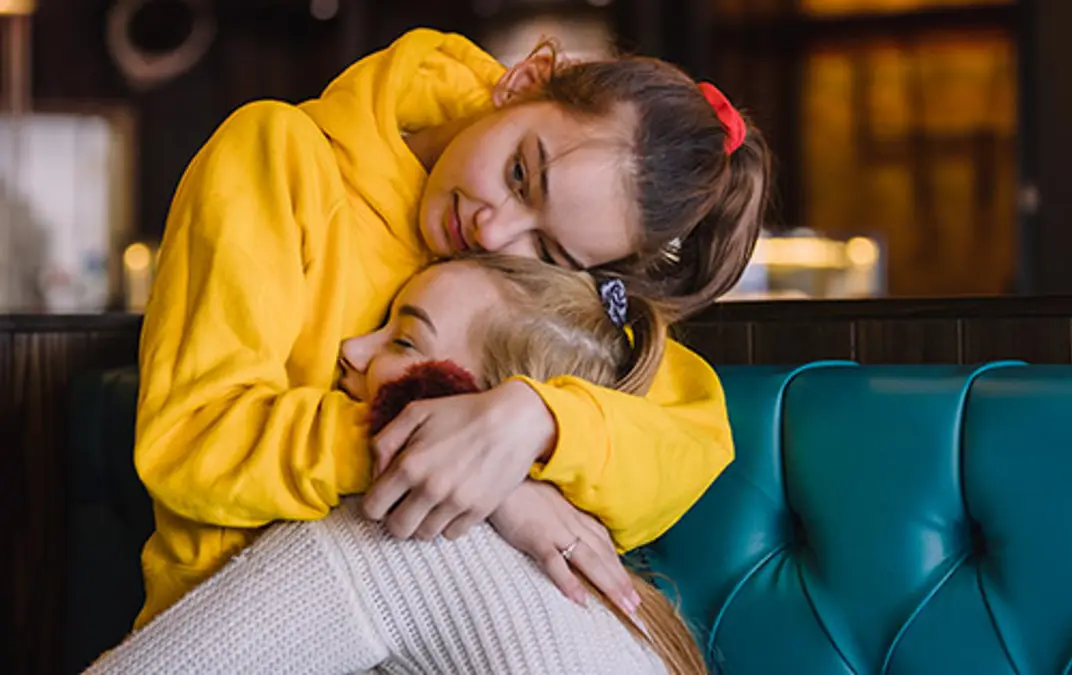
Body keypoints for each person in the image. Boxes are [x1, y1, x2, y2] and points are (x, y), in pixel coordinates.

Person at [132, 26, 771, 630]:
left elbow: (688, 440)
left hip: (435, 618)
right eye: (522, 174)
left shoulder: (556, 271)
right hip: (233, 614)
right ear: (523, 81)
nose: (494, 233)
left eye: (549, 253)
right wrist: (470, 466)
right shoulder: (279, 156)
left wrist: (533, 422)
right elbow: (192, 441)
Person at [87, 256, 707, 675]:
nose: (350, 349)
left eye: (403, 341)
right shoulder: (603, 589)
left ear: (480, 402)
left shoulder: (405, 540)